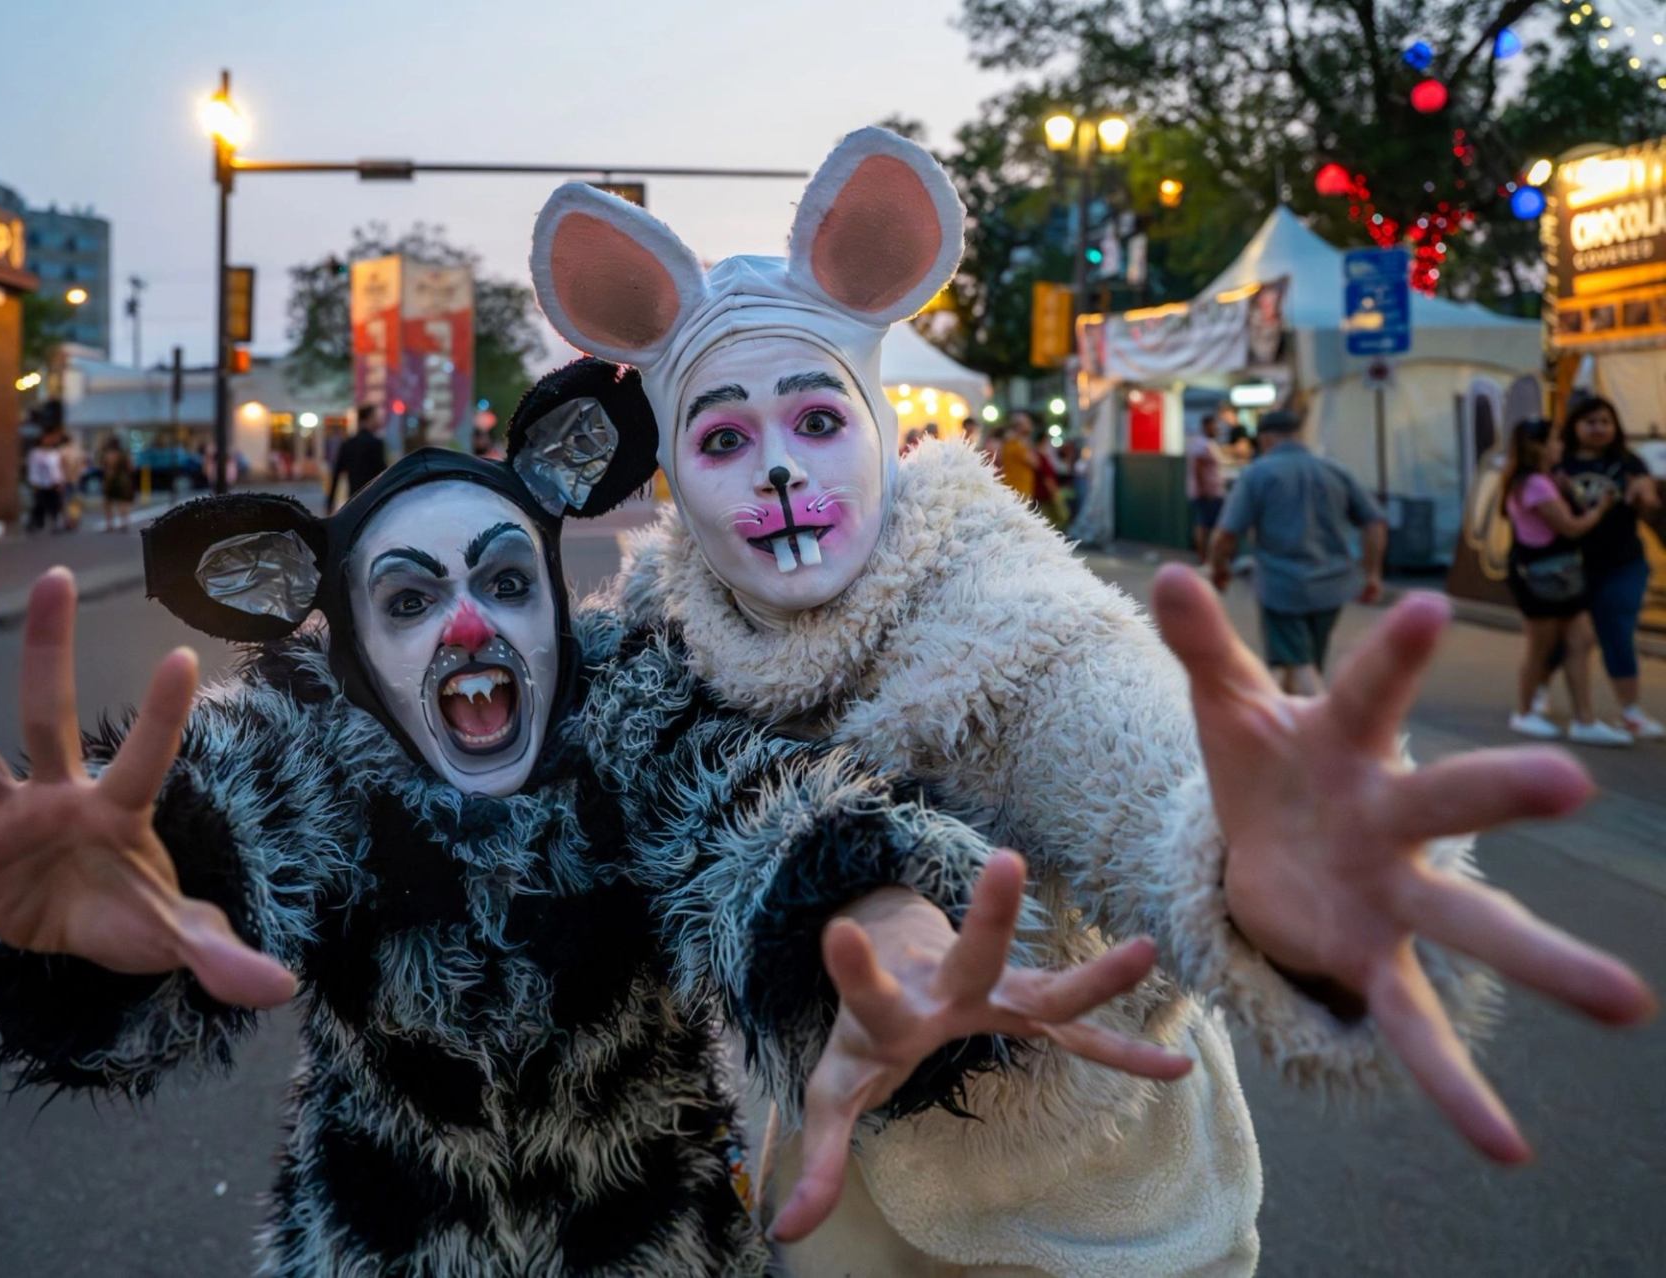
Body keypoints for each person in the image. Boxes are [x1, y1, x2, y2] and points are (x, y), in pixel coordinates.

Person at [532, 126, 1654, 1275]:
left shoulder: (1003, 614)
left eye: (819, 422)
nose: (780, 469)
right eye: (724, 438)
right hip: (828, 1210)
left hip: (1102, 1218)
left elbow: (1121, 742)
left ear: (878, 433)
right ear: (673, 472)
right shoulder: (653, 656)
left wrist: (1240, 864)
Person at [0, 366, 1181, 1277]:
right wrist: (113, 919)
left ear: (548, 602)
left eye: (500, 582)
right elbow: (223, 806)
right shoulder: (313, 730)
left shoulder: (628, 703)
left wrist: (891, 930)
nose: (468, 624)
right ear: (350, 644)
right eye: (407, 603)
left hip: (656, 1245)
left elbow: (762, 815)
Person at [1208, 410, 1387, 695]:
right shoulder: (1335, 471)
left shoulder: (1258, 474)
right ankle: (1297, 718)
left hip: (1282, 587)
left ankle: (1315, 724)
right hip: (1331, 587)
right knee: (1308, 659)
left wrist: (1219, 569)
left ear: (1266, 438)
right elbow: (1375, 523)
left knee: (1299, 665)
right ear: (1298, 434)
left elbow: (1226, 534)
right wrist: (1372, 573)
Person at [1499, 417, 1630, 746]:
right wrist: (1600, 510)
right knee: (1540, 648)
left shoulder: (1539, 480)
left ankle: (1584, 719)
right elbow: (1570, 526)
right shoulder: (1535, 485)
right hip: (1544, 575)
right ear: (1540, 446)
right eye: (1556, 440)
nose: (1562, 446)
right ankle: (1525, 712)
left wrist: (1568, 490)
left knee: (1581, 641)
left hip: (1562, 574)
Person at [1549, 397, 1663, 740]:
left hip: (1623, 562)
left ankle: (1630, 711)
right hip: (1572, 564)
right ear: (1575, 426)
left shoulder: (1628, 463)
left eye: (1605, 422)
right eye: (1590, 422)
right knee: (1563, 637)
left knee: (1617, 629)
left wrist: (1646, 498)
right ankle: (1536, 693)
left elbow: (1652, 510)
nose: (1599, 428)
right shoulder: (1560, 464)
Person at [326, 404, 387, 513]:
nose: (379, 421)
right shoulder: (376, 443)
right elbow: (383, 474)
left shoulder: (348, 444)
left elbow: (336, 474)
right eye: (376, 417)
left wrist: (330, 502)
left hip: (353, 499)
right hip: (373, 500)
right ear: (368, 418)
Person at [1186, 413, 1228, 564]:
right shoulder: (1201, 444)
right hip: (1207, 493)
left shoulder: (1209, 443)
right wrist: (1204, 490)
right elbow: (1198, 468)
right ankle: (1204, 557)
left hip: (1212, 491)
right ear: (1206, 426)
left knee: (1207, 525)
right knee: (1204, 526)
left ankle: (1208, 556)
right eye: (1214, 426)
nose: (1216, 429)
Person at [24, 429, 64, 534]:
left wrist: (59, 481)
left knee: (55, 504)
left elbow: (57, 468)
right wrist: (34, 482)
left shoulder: (55, 453)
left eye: (51, 439)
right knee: (39, 504)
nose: (49, 441)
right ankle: (35, 523)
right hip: (40, 483)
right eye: (47, 439)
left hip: (53, 483)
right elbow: (33, 468)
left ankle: (55, 524)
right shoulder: (35, 453)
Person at [996, 410, 1040, 502]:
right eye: (1027, 423)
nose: (1030, 425)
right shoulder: (1016, 444)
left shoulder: (1008, 443)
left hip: (1013, 489)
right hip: (1019, 491)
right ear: (1019, 427)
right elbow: (1035, 462)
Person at [97, 437, 136, 532]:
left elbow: (103, 467)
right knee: (123, 502)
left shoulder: (108, 455)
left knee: (108, 503)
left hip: (110, 480)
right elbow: (131, 468)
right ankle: (124, 522)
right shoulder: (124, 455)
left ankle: (109, 524)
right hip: (123, 480)